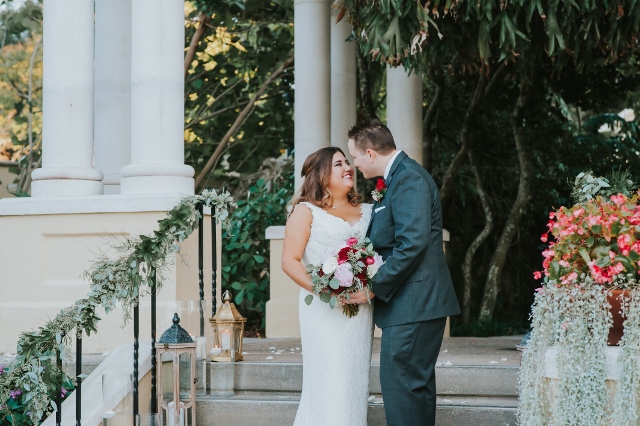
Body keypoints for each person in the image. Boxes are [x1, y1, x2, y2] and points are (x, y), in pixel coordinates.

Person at [345, 119, 461, 426]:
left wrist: (373, 286)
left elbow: (413, 244)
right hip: (413, 304)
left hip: (415, 303)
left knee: (401, 387)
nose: (354, 164)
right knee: (412, 389)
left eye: (355, 156)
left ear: (370, 153)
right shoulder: (397, 178)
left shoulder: (408, 179)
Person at [282, 147, 374, 426]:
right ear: (322, 174)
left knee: (353, 381)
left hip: (360, 311)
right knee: (329, 379)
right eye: (338, 164)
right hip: (323, 311)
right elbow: (290, 261)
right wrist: (327, 290)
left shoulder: (369, 210)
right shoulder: (306, 211)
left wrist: (369, 289)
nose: (348, 167)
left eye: (348, 162)